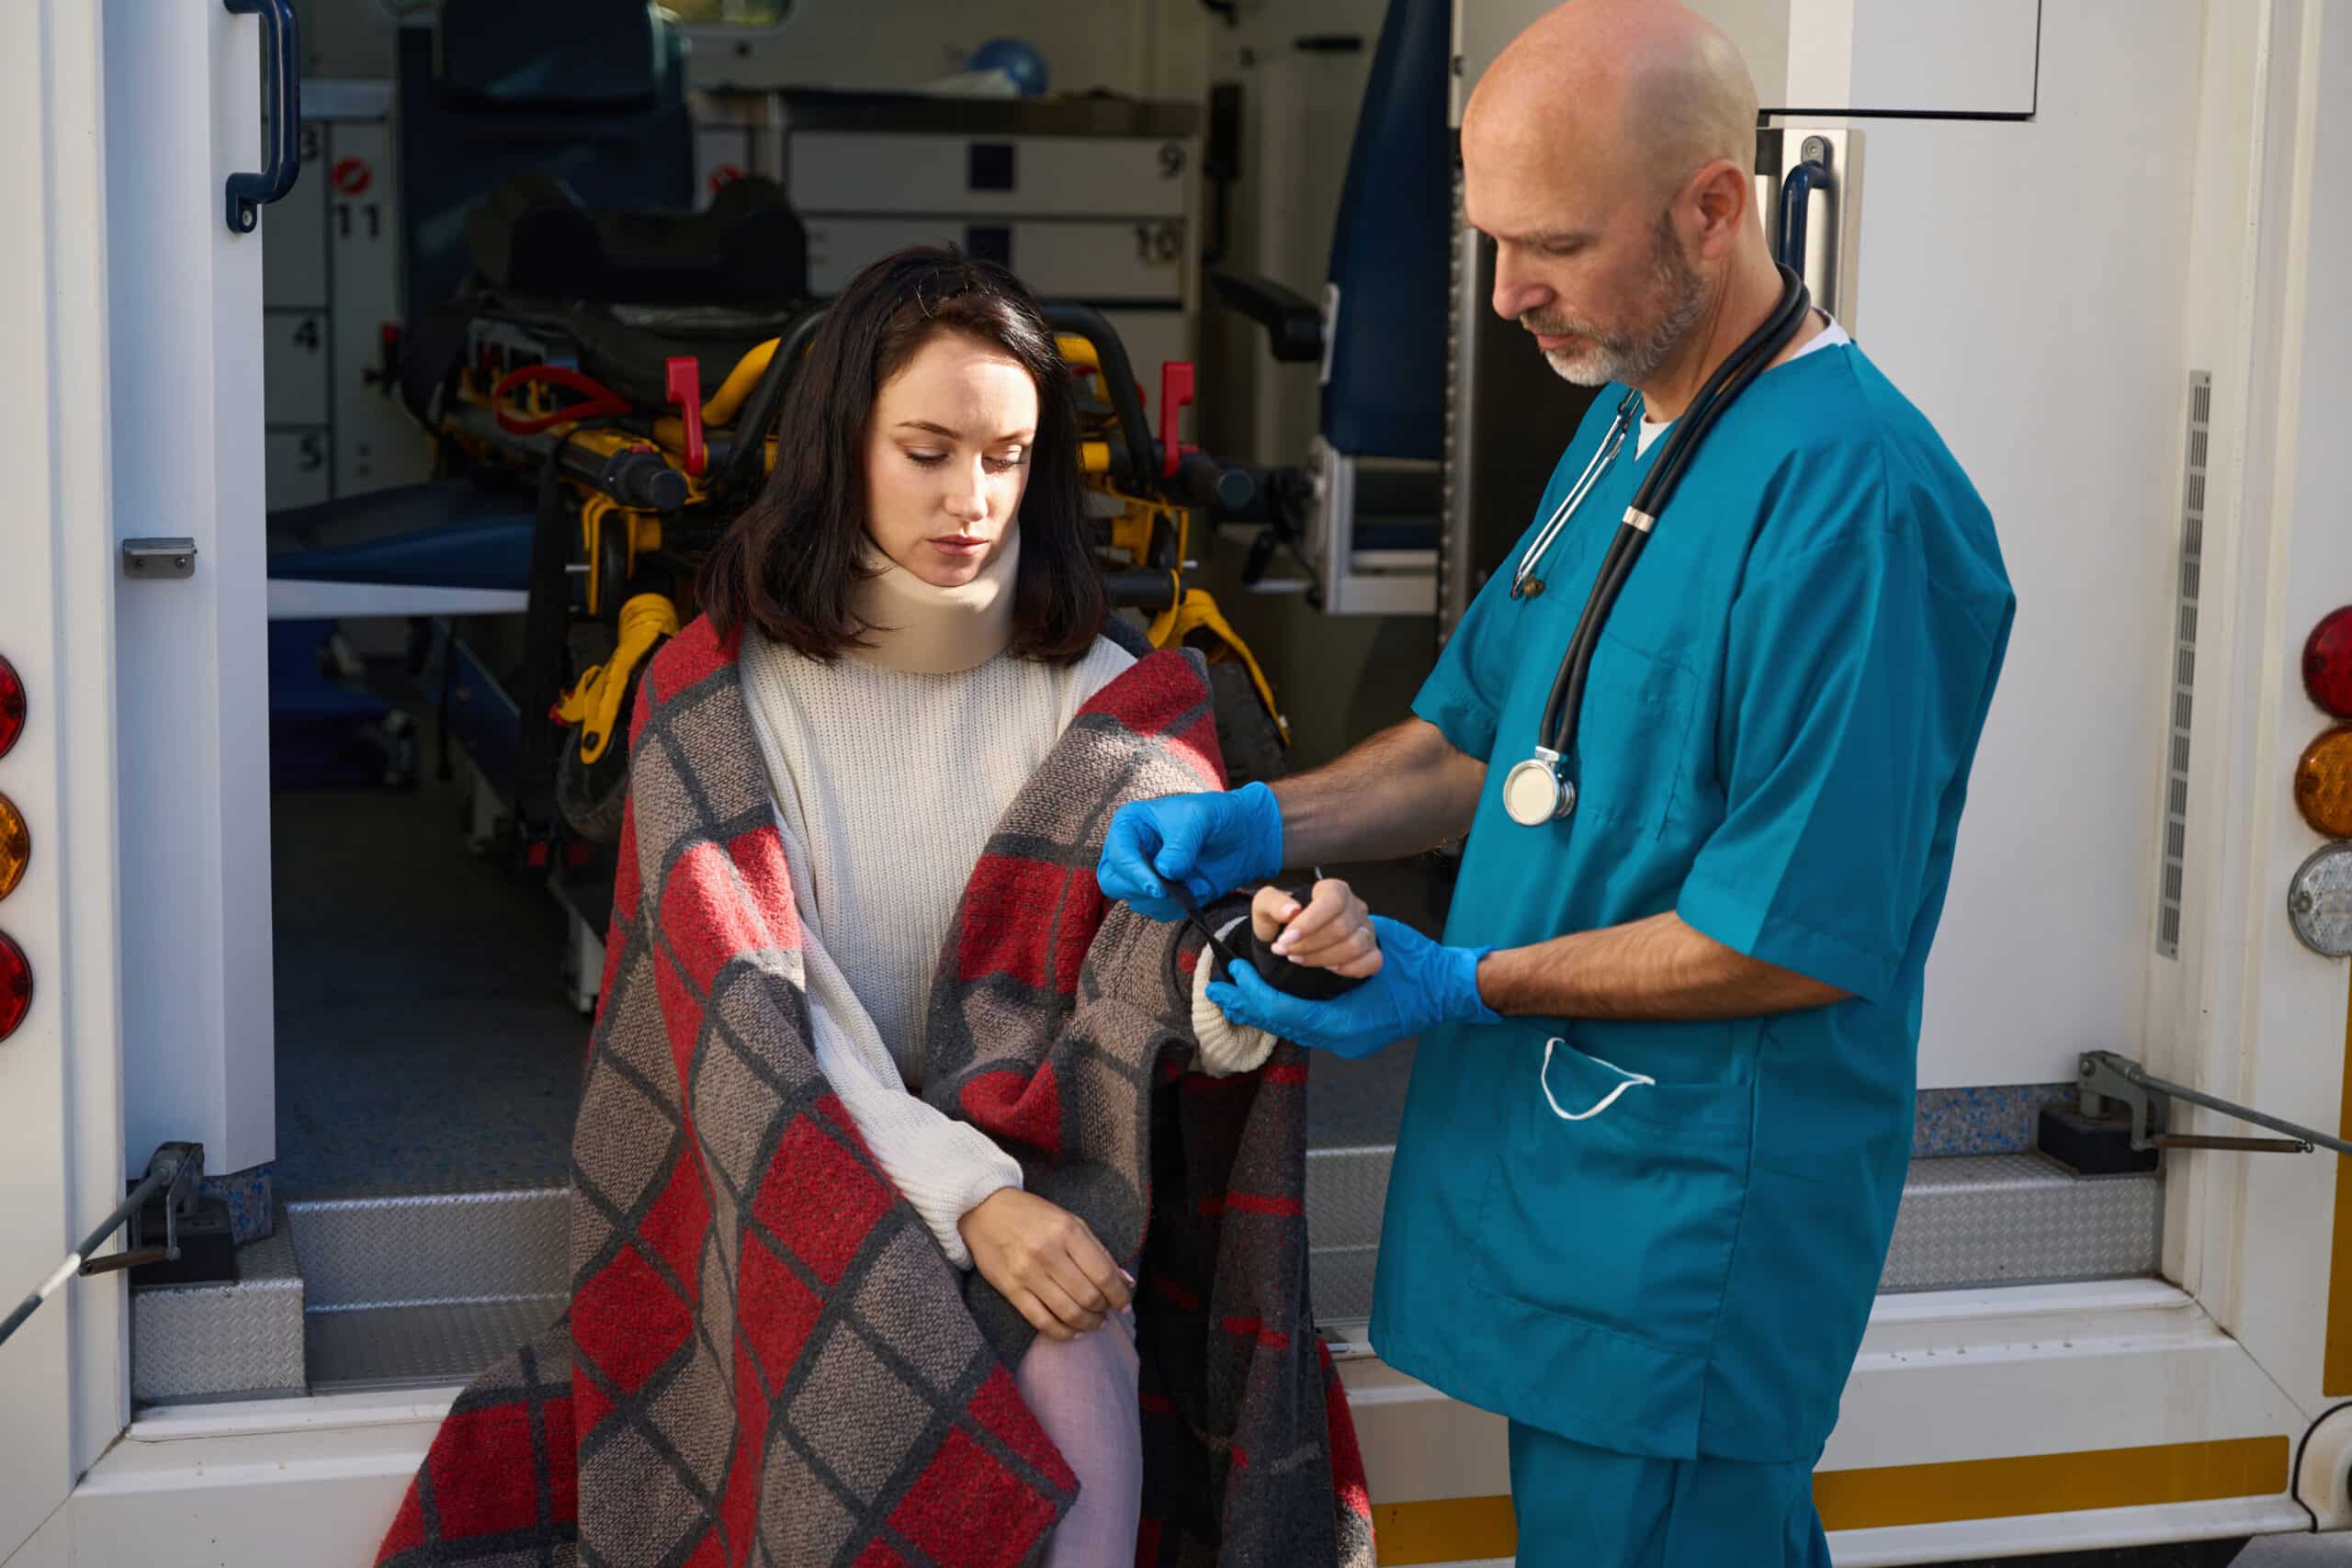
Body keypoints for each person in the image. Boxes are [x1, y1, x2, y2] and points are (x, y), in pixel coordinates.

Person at [1097, 3, 2016, 1563]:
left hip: (1687, 1236)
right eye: (1492, 238)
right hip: (1568, 1181)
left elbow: (1788, 934)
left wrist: (1455, 982)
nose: (1507, 292)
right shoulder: (1622, 424)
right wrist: (1264, 817)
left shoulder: (1855, 507)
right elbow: (1479, 741)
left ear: (1714, 208)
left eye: (1556, 247)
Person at [376, 246, 1382, 1568]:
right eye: (928, 450)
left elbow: (1161, 971)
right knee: (881, 1342)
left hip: (1044, 1170)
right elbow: (758, 1027)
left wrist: (1272, 966)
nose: (972, 499)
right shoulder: (717, 697)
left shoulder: (1115, 698)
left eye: (1009, 458)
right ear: (842, 444)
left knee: (1079, 1343)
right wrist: (968, 1200)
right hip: (798, 1174)